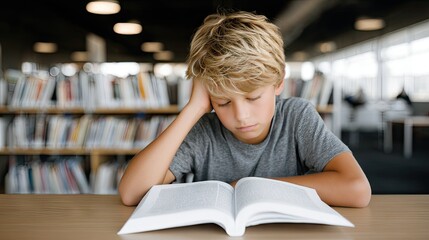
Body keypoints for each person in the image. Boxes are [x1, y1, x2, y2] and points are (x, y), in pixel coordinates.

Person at [119, 11, 371, 207]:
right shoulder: (204, 130)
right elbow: (132, 193)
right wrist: (193, 108)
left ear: (279, 81)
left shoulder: (297, 117)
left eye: (253, 97)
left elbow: (357, 190)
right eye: (223, 102)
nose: (241, 116)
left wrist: (250, 186)